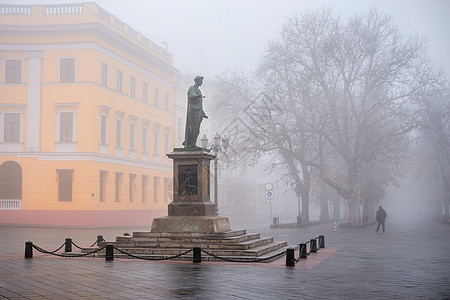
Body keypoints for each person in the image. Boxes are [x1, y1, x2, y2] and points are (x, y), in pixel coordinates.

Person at [183, 76, 208, 148]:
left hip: (198, 112)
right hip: (193, 113)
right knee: (193, 128)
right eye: (201, 81)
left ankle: (191, 143)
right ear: (197, 81)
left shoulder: (198, 90)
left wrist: (203, 114)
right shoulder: (192, 88)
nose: (202, 83)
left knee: (197, 129)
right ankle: (190, 143)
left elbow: (199, 105)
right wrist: (200, 95)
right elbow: (193, 96)